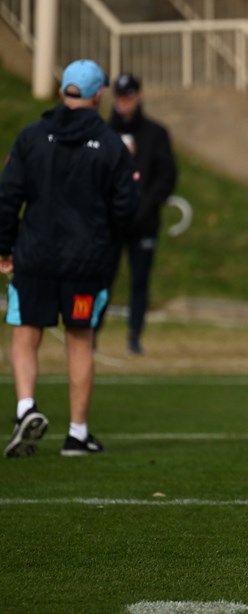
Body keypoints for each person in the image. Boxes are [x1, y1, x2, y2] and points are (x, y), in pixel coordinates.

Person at [0, 59, 139, 457]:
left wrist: (4, 247)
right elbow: (126, 208)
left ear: (63, 91)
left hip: (34, 257)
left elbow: (8, 197)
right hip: (85, 263)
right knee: (80, 342)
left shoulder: (30, 136)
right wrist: (106, 243)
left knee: (26, 335)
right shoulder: (111, 143)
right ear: (98, 95)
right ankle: (77, 433)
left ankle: (26, 407)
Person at [103, 72, 177, 355]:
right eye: (120, 98)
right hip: (110, 224)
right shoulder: (104, 134)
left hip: (144, 223)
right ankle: (91, 333)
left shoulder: (156, 134)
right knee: (102, 279)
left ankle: (134, 336)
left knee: (139, 281)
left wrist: (143, 208)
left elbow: (166, 178)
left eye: (129, 97)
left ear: (139, 96)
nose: (124, 104)